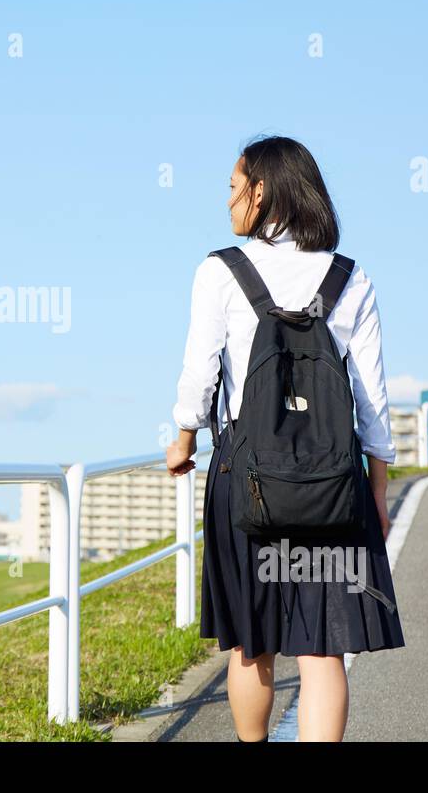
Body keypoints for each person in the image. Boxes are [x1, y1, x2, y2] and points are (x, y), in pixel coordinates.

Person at [165, 135, 405, 742]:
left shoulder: (221, 271)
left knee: (253, 645)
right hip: (332, 486)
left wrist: (183, 439)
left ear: (262, 189)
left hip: (248, 482)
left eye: (232, 185)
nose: (227, 200)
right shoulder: (351, 278)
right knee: (324, 652)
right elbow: (372, 403)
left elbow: (200, 372)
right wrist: (376, 492)